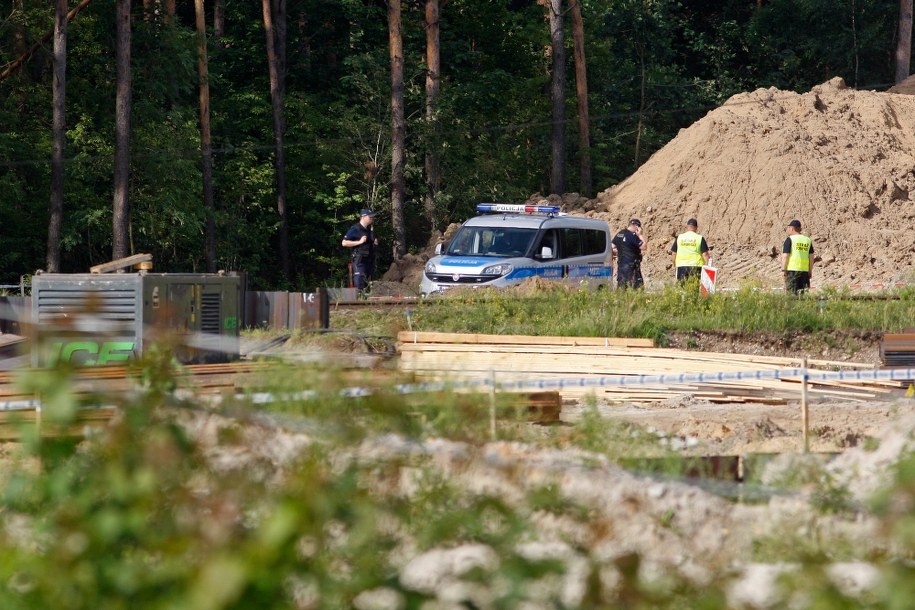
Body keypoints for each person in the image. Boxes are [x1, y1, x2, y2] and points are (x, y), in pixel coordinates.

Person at [342, 208, 379, 291]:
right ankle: (358, 300)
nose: (372, 219)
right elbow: (344, 243)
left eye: (372, 217)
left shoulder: (369, 230)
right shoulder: (355, 228)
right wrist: (359, 242)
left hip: (369, 261)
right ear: (363, 217)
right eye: (370, 217)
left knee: (367, 284)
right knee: (359, 282)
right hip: (359, 260)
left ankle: (365, 301)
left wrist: (374, 242)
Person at [611, 219, 647, 288]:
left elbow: (611, 246)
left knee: (622, 288)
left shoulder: (620, 233)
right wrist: (640, 235)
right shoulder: (632, 236)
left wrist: (618, 251)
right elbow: (644, 247)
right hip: (632, 267)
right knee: (637, 288)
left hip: (621, 267)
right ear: (636, 226)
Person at [782, 219, 814, 294]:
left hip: (792, 271)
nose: (788, 229)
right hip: (804, 272)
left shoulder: (790, 239)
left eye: (789, 228)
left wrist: (783, 270)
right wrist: (810, 270)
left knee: (792, 295)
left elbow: (785, 256)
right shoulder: (808, 240)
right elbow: (811, 257)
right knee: (803, 295)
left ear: (792, 228)